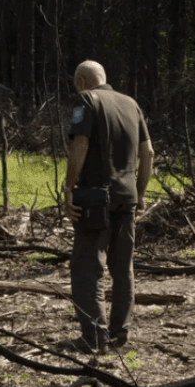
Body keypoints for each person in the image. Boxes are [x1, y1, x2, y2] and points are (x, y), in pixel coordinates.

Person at [59, 60, 153, 355]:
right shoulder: (131, 104)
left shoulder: (86, 100)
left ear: (82, 81)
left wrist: (69, 187)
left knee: (87, 269)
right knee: (122, 268)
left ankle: (94, 337)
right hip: (127, 198)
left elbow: (80, 144)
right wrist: (140, 193)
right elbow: (147, 152)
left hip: (95, 199)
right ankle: (119, 332)